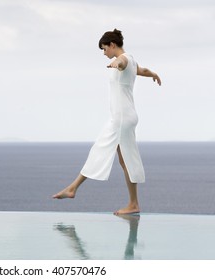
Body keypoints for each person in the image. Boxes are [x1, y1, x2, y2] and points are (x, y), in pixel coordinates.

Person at [52, 29, 161, 215]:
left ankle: (74, 189)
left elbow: (122, 62)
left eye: (105, 49)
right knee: (125, 160)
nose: (104, 54)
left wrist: (117, 62)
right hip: (125, 117)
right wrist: (153, 74)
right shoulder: (132, 60)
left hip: (121, 119)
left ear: (112, 45)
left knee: (103, 151)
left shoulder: (125, 59)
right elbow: (141, 70)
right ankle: (131, 202)